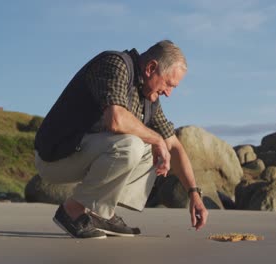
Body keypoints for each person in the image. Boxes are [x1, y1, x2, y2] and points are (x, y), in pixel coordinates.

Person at [34, 40, 208, 239]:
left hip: (84, 154)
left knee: (150, 146)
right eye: (169, 84)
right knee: (134, 144)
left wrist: (194, 194)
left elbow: (174, 146)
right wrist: (157, 139)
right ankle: (72, 211)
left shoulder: (148, 97)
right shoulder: (115, 64)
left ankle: (101, 213)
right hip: (55, 157)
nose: (169, 93)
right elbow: (115, 120)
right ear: (151, 68)